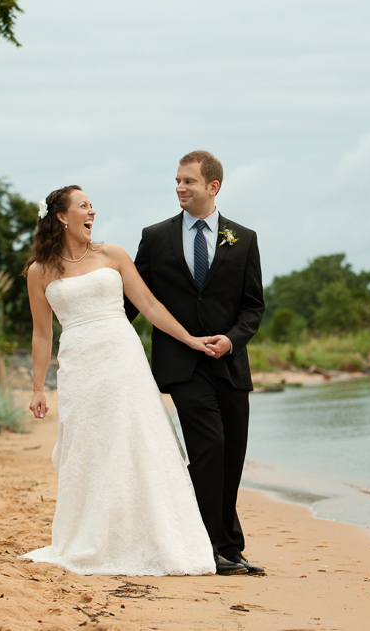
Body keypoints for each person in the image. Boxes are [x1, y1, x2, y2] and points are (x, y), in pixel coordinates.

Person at [17, 185, 218, 576]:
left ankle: (153, 537)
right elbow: (42, 334)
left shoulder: (113, 254)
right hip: (79, 366)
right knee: (90, 447)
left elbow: (150, 305)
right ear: (62, 216)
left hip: (123, 359)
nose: (92, 211)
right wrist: (39, 387)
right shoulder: (40, 272)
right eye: (83, 206)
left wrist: (190, 339)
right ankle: (92, 537)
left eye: (92, 205)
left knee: (136, 440)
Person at [125, 151, 266, 576]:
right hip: (180, 363)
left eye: (188, 181)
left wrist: (233, 339)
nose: (180, 188)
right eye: (177, 181)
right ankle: (211, 547)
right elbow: (135, 298)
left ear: (213, 187)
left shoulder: (244, 238)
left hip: (229, 364)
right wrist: (100, 333)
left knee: (232, 454)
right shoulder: (155, 237)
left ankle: (229, 546)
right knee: (210, 447)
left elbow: (253, 307)